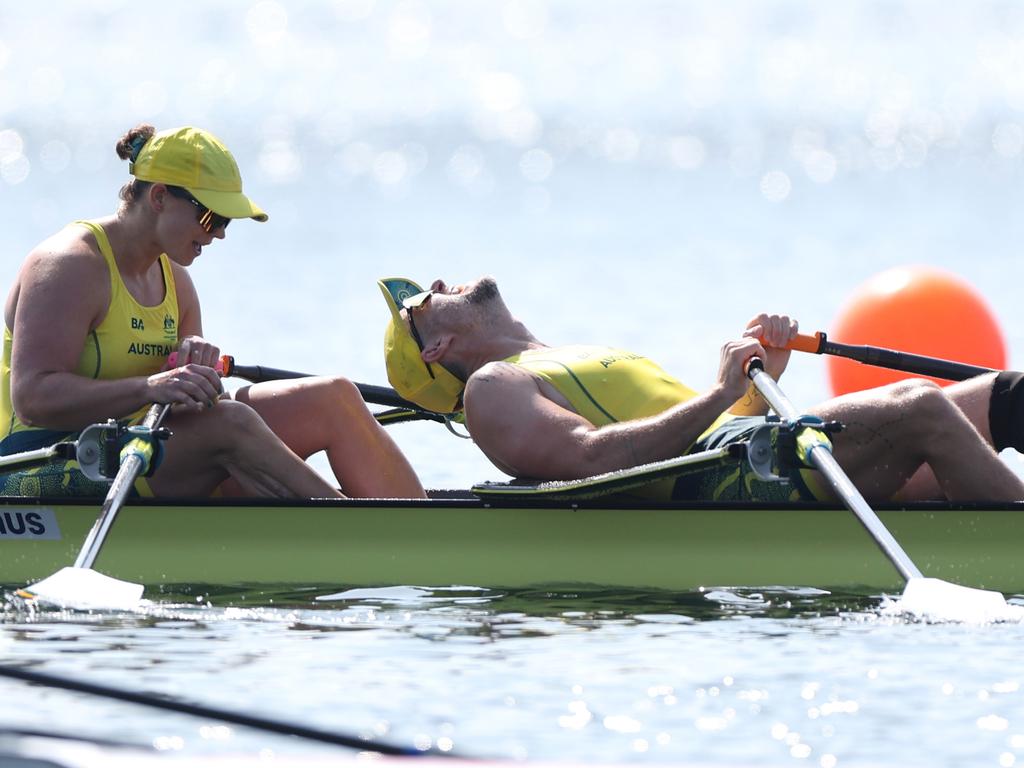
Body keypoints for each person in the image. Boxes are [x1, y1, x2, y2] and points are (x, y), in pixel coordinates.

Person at [0, 124, 424, 499]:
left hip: (143, 445)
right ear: (160, 197)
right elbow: (33, 398)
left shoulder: (177, 282)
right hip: (41, 461)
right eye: (210, 216)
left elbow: (199, 410)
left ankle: (423, 528)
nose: (219, 234)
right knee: (231, 425)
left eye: (227, 222)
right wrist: (150, 386)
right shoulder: (69, 266)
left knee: (333, 397)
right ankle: (365, 533)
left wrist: (199, 380)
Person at [378, 275, 1024, 503]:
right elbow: (590, 462)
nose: (438, 283)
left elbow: (709, 429)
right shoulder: (493, 388)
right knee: (920, 405)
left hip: (749, 451)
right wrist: (719, 395)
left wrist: (760, 375)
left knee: (1009, 393)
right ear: (437, 350)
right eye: (422, 303)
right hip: (732, 482)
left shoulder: (560, 356)